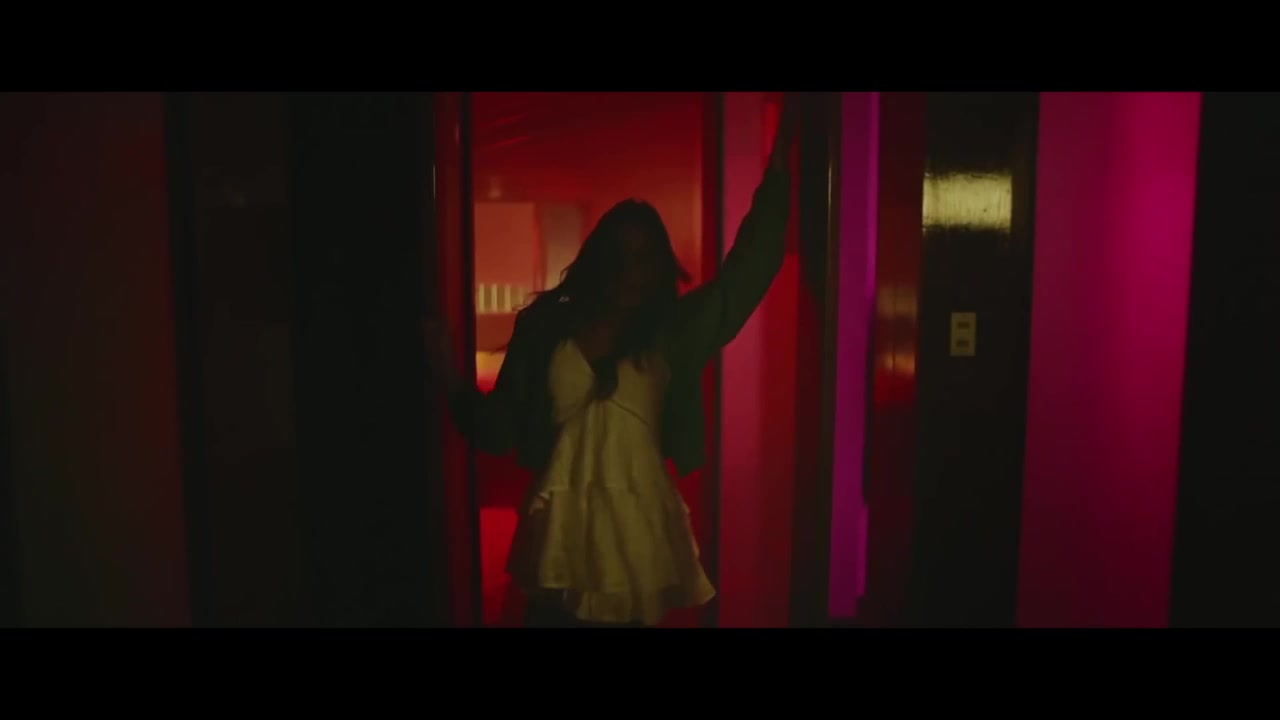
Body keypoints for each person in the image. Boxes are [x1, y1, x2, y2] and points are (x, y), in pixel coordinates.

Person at [427, 96, 799, 627]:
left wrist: (778, 172)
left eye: (643, 258)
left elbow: (747, 272)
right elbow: (500, 428)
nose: (629, 270)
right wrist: (449, 377)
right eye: (619, 256)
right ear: (598, 259)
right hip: (559, 544)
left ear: (659, 266)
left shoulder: (673, 331)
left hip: (634, 542)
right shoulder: (547, 327)